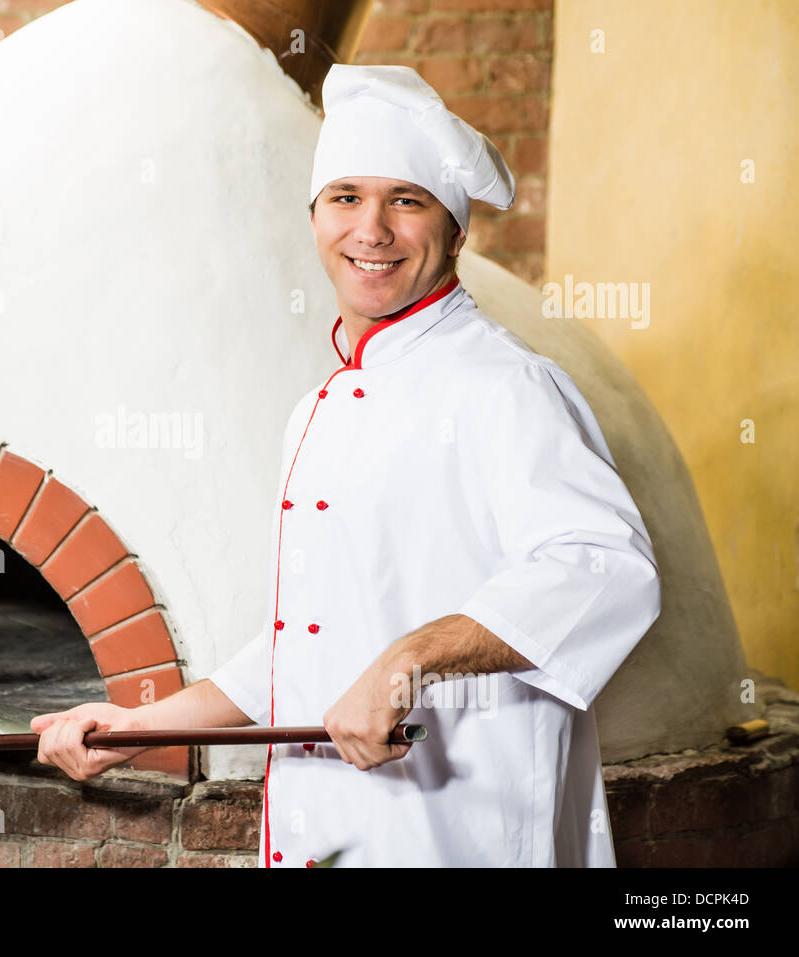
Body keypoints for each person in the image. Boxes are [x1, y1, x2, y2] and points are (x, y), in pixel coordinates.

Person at [32, 64, 660, 867]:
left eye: (407, 199)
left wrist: (409, 659)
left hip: (458, 831)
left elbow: (606, 565)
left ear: (456, 229)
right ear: (315, 217)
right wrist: (142, 725)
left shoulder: (505, 386)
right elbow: (310, 640)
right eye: (346, 198)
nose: (372, 230)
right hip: (328, 828)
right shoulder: (320, 408)